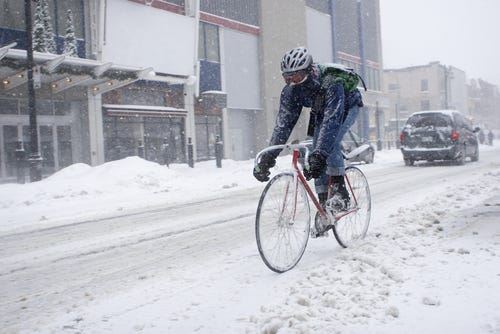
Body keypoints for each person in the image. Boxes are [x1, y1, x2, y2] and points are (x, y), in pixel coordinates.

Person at [253, 47, 364, 234]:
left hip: (347, 105)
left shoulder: (331, 83)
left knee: (330, 142)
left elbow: (332, 122)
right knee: (314, 151)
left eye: (295, 77)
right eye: (287, 78)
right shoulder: (290, 92)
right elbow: (283, 126)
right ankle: (324, 207)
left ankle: (340, 193)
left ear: (308, 71)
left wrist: (320, 155)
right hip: (322, 109)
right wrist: (267, 158)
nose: (292, 83)